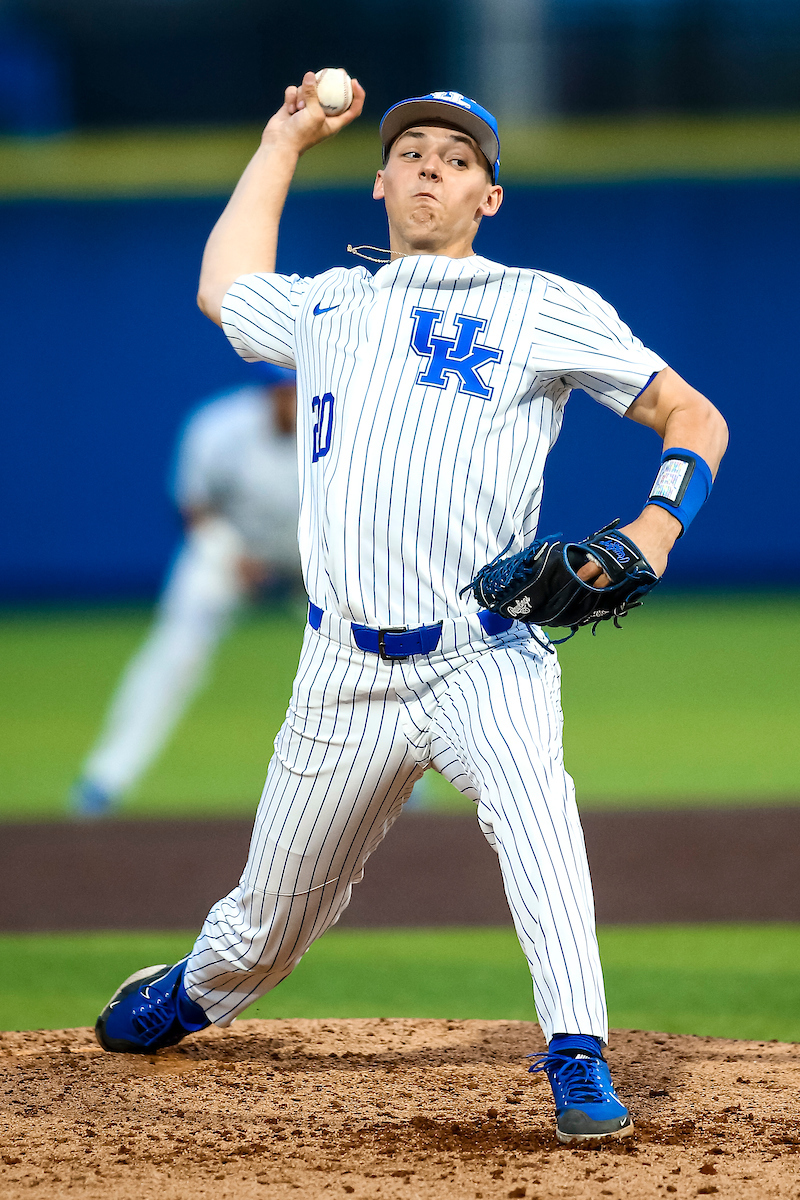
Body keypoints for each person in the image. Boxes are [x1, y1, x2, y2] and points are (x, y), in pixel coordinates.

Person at [94, 76, 728, 1144]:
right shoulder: (330, 306)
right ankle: (197, 988)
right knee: (269, 926)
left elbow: (690, 415)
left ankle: (575, 1050)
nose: (431, 165)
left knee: (537, 821)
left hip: (486, 654)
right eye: (413, 151)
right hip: (341, 672)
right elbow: (223, 285)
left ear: (487, 198)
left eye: (458, 157)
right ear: (382, 181)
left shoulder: (541, 302)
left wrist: (653, 530)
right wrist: (282, 138)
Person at [69, 364, 300, 817]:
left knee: (369, 654)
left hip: (313, 557)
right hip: (228, 552)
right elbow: (193, 506)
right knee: (174, 654)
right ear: (269, 391)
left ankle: (400, 787)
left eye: (300, 388)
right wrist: (233, 557)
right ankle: (105, 779)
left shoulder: (343, 424)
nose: (293, 399)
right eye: (286, 390)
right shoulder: (221, 426)